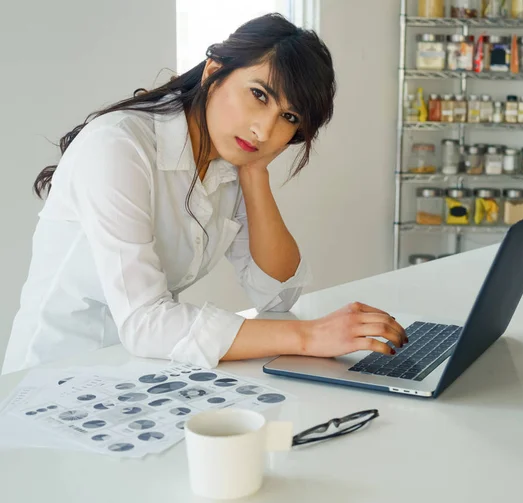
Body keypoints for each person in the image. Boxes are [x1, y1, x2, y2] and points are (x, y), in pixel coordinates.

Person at [2, 13, 407, 375]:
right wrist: (308, 337)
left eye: (288, 117)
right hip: (52, 379)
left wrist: (254, 176)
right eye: (259, 95)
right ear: (214, 71)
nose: (264, 131)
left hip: (133, 374)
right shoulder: (118, 147)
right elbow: (146, 323)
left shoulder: (229, 161)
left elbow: (277, 294)